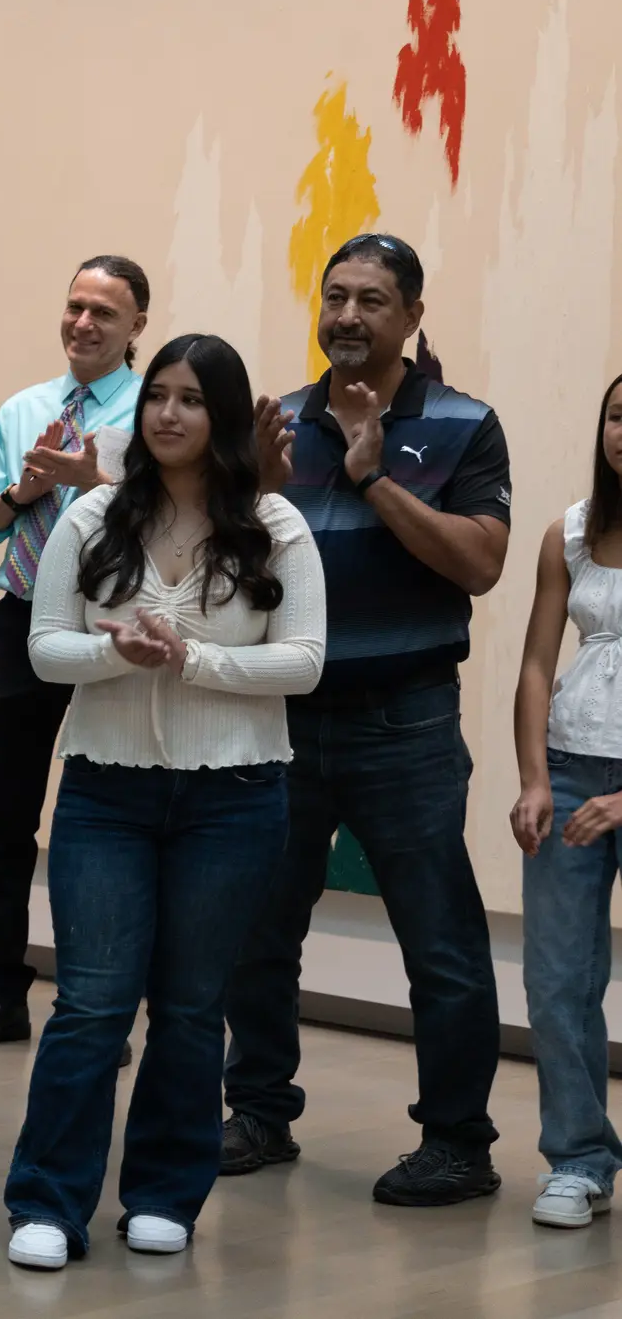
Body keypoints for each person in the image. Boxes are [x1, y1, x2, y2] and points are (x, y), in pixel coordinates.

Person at [1, 335, 326, 1271]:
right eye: (158, 398)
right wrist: (117, 655)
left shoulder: (274, 525)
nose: (169, 415)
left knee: (191, 1007)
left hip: (235, 797)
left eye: (192, 399)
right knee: (94, 1005)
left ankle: (164, 1194)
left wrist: (192, 659)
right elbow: (45, 649)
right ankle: (49, 1201)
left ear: (225, 417)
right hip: (105, 791)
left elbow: (302, 665)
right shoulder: (93, 514)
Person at [225, 233, 512, 1205]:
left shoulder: (465, 426)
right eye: (335, 295)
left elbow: (478, 564)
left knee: (441, 944)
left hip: (408, 725)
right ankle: (259, 1110)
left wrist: (373, 476)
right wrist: (253, 493)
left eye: (372, 300)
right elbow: (234, 580)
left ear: (413, 316)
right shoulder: (277, 420)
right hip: (288, 717)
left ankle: (458, 1143)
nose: (347, 316)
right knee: (261, 933)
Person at [0, 256, 147, 1052]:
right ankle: (0, 993)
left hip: (115, 631)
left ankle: (102, 1003)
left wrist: (96, 479)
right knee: (8, 818)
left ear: (137, 329)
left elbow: (166, 518)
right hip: (26, 621)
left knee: (106, 822)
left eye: (104, 312)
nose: (84, 324)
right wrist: (25, 492)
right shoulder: (26, 407)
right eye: (75, 307)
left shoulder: (155, 408)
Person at [507, 370, 622, 1231]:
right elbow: (539, 665)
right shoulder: (571, 533)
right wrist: (536, 778)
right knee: (557, 981)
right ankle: (579, 1160)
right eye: (618, 415)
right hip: (573, 771)